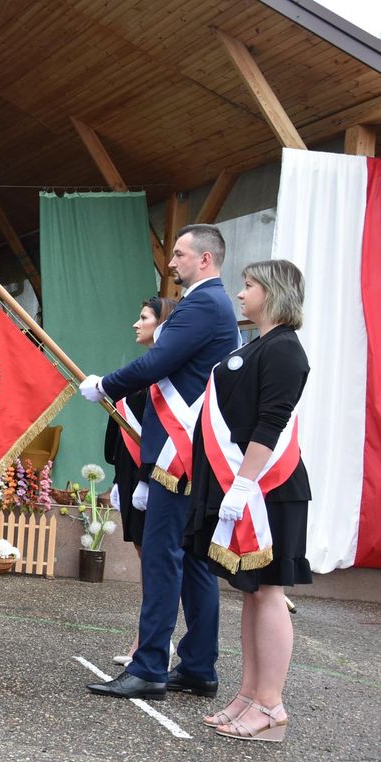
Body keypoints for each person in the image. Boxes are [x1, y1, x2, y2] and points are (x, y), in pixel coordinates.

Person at [79, 224, 238, 700]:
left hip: (179, 454)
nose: (171, 263)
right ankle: (197, 666)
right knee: (191, 561)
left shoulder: (203, 304)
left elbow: (156, 363)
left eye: (180, 254)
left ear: (205, 260)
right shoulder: (212, 305)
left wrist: (105, 384)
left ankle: (149, 666)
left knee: (165, 561)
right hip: (192, 454)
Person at [188, 260, 310, 742]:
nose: (242, 294)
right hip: (251, 485)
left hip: (272, 490)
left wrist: (242, 483)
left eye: (250, 286)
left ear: (274, 292)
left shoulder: (284, 350)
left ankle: (272, 704)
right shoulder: (259, 344)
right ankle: (249, 694)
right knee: (251, 592)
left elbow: (271, 421)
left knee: (271, 592)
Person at [104, 296, 176, 667]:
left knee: (155, 560)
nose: (136, 323)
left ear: (162, 323)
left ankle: (154, 641)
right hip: (132, 473)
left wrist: (147, 478)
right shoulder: (142, 368)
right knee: (142, 556)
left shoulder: (166, 374)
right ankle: (148, 638)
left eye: (144, 317)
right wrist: (119, 476)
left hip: (156, 472)